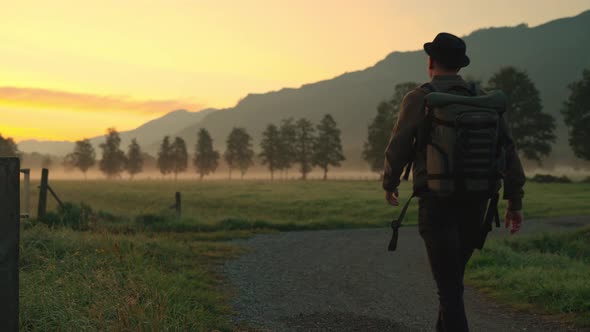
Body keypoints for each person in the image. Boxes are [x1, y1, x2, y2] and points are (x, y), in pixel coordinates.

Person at [382, 32, 526, 332]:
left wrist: (390, 182)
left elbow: (398, 145)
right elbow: (508, 150)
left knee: (449, 290)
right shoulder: (484, 101)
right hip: (477, 202)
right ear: (460, 65)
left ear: (431, 61)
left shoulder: (420, 97)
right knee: (451, 284)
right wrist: (514, 201)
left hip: (436, 202)